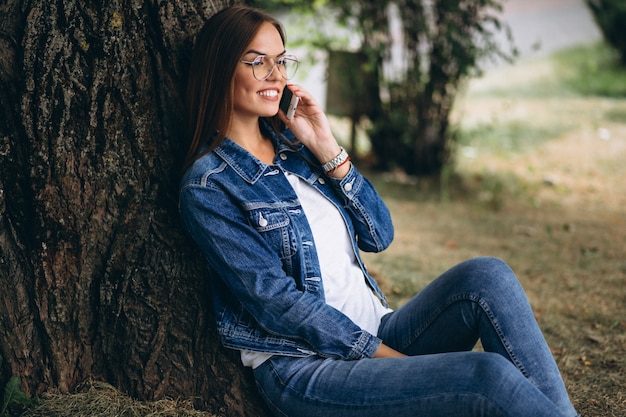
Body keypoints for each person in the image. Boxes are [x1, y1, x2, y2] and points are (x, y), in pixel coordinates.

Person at [178, 5, 579, 417]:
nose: (276, 75)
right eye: (256, 62)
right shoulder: (209, 186)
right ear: (221, 68)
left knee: (487, 275)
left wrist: (327, 148)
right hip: (308, 368)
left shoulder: (295, 151)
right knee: (485, 377)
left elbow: (379, 235)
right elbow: (277, 304)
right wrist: (387, 358)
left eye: (280, 61)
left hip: (379, 331)